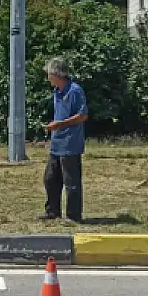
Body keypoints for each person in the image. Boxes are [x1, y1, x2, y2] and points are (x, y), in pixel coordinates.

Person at [40, 57, 88, 223]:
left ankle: (74, 216)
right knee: (50, 178)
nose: (47, 76)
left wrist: (60, 124)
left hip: (70, 143)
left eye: (49, 73)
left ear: (57, 73)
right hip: (57, 143)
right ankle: (52, 211)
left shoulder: (74, 91)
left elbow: (83, 115)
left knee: (71, 181)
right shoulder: (57, 91)